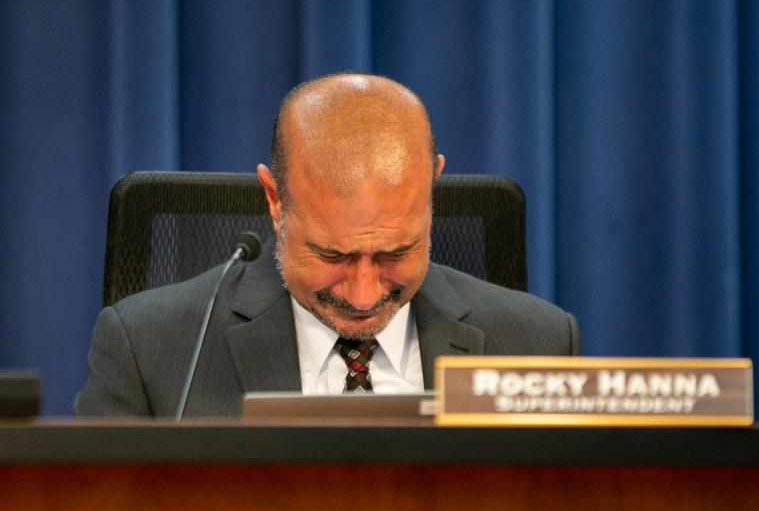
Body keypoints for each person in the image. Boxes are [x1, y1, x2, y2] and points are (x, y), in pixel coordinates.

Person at [75, 73, 580, 417]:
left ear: (433, 188)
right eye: (332, 256)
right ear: (275, 200)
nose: (362, 295)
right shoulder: (152, 351)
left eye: (394, 254)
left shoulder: (538, 347)